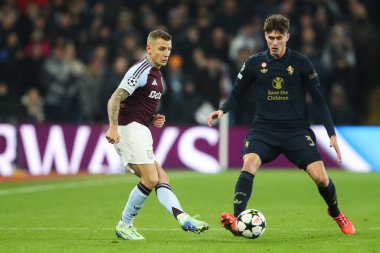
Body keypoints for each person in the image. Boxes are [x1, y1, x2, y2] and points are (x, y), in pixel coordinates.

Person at [207, 14, 355, 236]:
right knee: (249, 163)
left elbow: (320, 99)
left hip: (296, 130)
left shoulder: (302, 63)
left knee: (321, 178)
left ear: (287, 36)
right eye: (270, 37)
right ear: (265, 36)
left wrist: (331, 133)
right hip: (264, 130)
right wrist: (223, 109)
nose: (274, 42)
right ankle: (238, 220)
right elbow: (236, 92)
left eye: (278, 37)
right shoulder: (254, 63)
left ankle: (336, 212)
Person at [105, 30, 208, 240]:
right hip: (127, 129)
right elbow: (115, 99)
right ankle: (124, 224)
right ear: (149, 49)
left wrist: (151, 118)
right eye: (162, 49)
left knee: (161, 178)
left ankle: (183, 218)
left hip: (139, 128)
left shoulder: (157, 74)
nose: (166, 53)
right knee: (151, 178)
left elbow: (136, 103)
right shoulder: (140, 70)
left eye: (169, 49)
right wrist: (113, 127)